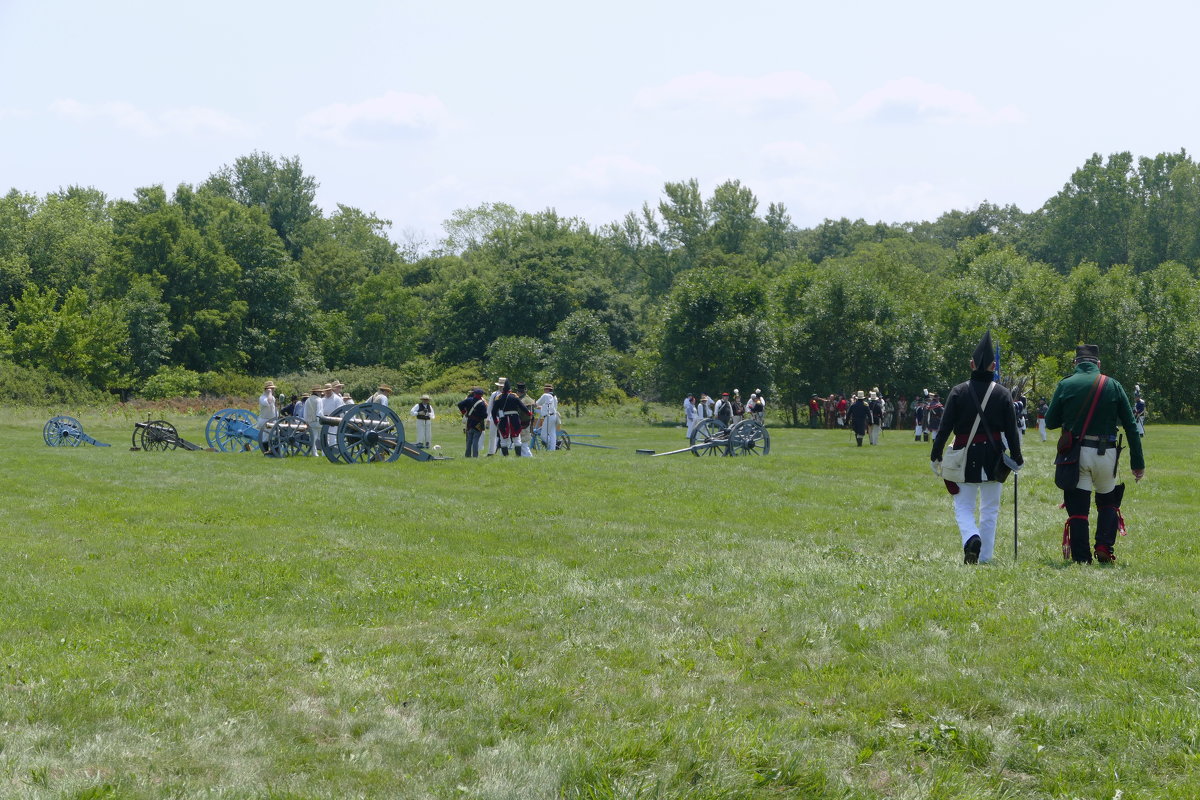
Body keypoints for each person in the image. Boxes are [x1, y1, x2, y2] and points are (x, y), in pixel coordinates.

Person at [1046, 344, 1145, 564]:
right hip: (1107, 454)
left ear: (1076, 363)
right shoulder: (1113, 385)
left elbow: (1051, 421)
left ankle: (1082, 558)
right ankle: (1103, 547)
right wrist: (1138, 463)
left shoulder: (1066, 384)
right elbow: (1131, 425)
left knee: (1079, 508)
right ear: (1098, 364)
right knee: (1108, 502)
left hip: (1077, 454)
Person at [931, 331, 1023, 564]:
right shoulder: (1003, 394)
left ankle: (971, 537)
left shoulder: (958, 391)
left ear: (971, 364)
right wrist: (1017, 457)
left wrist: (936, 453)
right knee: (990, 509)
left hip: (964, 454)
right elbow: (1012, 431)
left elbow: (945, 427)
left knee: (963, 506)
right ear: (994, 365)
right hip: (994, 457)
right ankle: (985, 557)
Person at [491, 378, 525, 456]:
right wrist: (529, 413)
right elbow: (522, 406)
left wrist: (496, 421)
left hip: (503, 419)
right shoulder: (514, 396)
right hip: (514, 419)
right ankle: (518, 456)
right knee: (517, 439)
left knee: (503, 439)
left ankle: (506, 456)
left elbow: (493, 412)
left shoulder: (499, 397)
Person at [459, 388, 487, 458]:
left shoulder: (469, 400)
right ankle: (475, 456)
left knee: (469, 440)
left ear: (474, 394)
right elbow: (484, 415)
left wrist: (464, 412)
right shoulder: (482, 403)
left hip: (469, 422)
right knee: (475, 440)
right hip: (478, 424)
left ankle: (467, 455)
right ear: (482, 395)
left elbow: (460, 404)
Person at [304, 385, 327, 456]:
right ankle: (324, 452)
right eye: (319, 392)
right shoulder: (319, 400)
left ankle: (314, 453)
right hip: (318, 421)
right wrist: (320, 420)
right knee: (323, 437)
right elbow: (319, 412)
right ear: (316, 392)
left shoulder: (308, 400)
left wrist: (306, 421)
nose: (320, 393)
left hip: (310, 422)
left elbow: (305, 412)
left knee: (313, 438)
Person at [536, 383, 559, 451]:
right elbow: (552, 407)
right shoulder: (554, 397)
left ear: (547, 389)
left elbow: (537, 403)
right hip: (554, 416)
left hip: (548, 416)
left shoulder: (545, 395)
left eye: (545, 389)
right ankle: (552, 449)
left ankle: (551, 444)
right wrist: (543, 407)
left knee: (543, 435)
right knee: (552, 434)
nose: (544, 390)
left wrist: (535, 405)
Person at [515, 383, 535, 456]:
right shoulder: (529, 399)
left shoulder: (520, 400)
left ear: (518, 391)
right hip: (527, 423)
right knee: (523, 442)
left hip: (522, 423)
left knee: (523, 443)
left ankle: (528, 456)